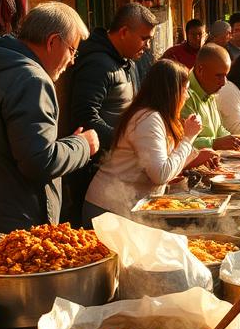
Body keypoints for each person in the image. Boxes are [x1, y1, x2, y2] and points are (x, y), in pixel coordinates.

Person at [0, 2, 100, 238]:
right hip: (15, 224)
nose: (72, 61)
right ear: (53, 42)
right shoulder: (32, 80)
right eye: (72, 50)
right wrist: (83, 145)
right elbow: (40, 161)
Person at [84, 60, 218, 219]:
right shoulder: (148, 119)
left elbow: (160, 164)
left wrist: (196, 156)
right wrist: (188, 138)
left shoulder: (155, 116)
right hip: (109, 209)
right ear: (172, 92)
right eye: (185, 90)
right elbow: (160, 174)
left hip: (128, 208)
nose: (187, 97)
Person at [59, 3, 154, 225]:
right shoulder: (96, 64)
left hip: (118, 170)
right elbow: (85, 117)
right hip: (94, 171)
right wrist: (127, 141)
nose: (147, 46)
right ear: (123, 32)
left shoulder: (126, 62)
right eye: (144, 38)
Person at [182, 44, 240, 152]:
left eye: (226, 75)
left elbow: (218, 129)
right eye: (219, 76)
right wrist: (214, 143)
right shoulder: (183, 94)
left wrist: (233, 140)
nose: (224, 82)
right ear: (200, 70)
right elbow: (181, 142)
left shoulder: (209, 89)